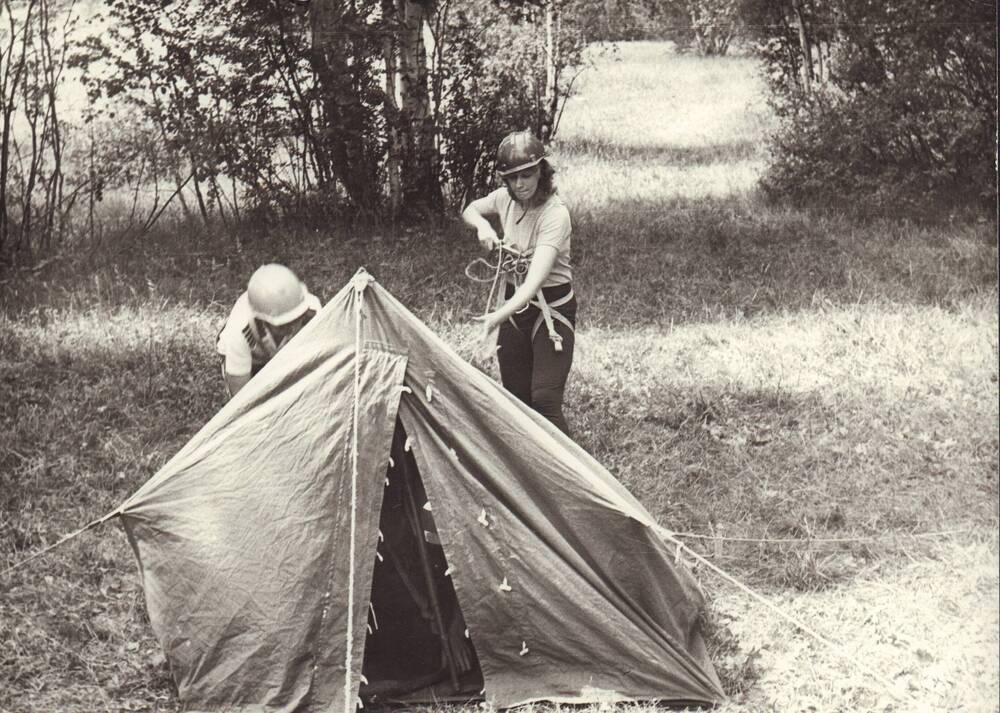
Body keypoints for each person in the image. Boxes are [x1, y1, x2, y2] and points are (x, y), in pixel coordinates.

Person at [462, 130, 577, 435]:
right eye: (512, 178)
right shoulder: (505, 200)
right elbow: (470, 209)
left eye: (527, 174)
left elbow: (534, 282)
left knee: (545, 399)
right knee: (517, 400)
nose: (520, 184)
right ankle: (530, 473)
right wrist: (483, 227)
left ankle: (573, 476)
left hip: (551, 308)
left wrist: (495, 318)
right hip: (515, 307)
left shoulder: (555, 215)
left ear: (542, 171)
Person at [216, 263, 321, 398]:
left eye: (296, 319)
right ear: (262, 320)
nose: (292, 328)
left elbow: (320, 365)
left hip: (287, 353)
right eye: (283, 325)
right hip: (253, 357)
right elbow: (240, 397)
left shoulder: (313, 311)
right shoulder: (239, 329)